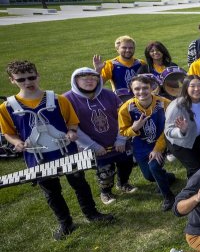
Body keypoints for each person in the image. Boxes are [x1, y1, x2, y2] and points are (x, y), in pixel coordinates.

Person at [1, 61, 114, 239]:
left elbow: (72, 121)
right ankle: (65, 223)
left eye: (31, 77)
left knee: (80, 184)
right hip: (37, 156)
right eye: (21, 79)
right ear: (12, 80)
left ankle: (91, 214)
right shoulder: (7, 107)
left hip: (65, 150)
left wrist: (71, 131)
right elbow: (8, 133)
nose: (28, 82)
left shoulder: (57, 99)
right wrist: (17, 142)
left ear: (38, 76)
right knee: (51, 191)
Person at [64, 67, 136, 205]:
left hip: (118, 140)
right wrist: (93, 146)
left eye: (93, 78)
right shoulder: (67, 99)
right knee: (105, 172)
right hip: (95, 145)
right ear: (75, 80)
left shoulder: (109, 94)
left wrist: (121, 139)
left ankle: (123, 183)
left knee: (126, 164)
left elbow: (124, 118)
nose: (89, 81)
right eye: (84, 78)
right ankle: (106, 192)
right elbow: (72, 127)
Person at [119, 74, 176, 211]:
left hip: (160, 143)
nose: (141, 92)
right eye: (137, 89)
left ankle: (168, 197)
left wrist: (158, 148)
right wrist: (134, 128)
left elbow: (170, 126)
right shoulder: (126, 108)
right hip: (140, 146)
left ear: (152, 88)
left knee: (155, 167)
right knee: (150, 176)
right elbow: (123, 131)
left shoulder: (164, 103)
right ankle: (169, 177)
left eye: (145, 88)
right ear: (132, 90)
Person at [165, 75, 200, 178]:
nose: (196, 89)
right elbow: (168, 131)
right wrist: (181, 131)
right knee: (196, 169)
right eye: (192, 86)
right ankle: (193, 191)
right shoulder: (177, 106)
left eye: (199, 85)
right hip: (180, 142)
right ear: (186, 88)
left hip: (198, 137)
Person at [93, 35, 143, 101]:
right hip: (120, 100)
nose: (128, 50)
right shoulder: (110, 64)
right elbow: (97, 85)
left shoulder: (141, 63)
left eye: (131, 48)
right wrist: (97, 71)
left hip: (141, 98)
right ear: (117, 49)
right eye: (124, 48)